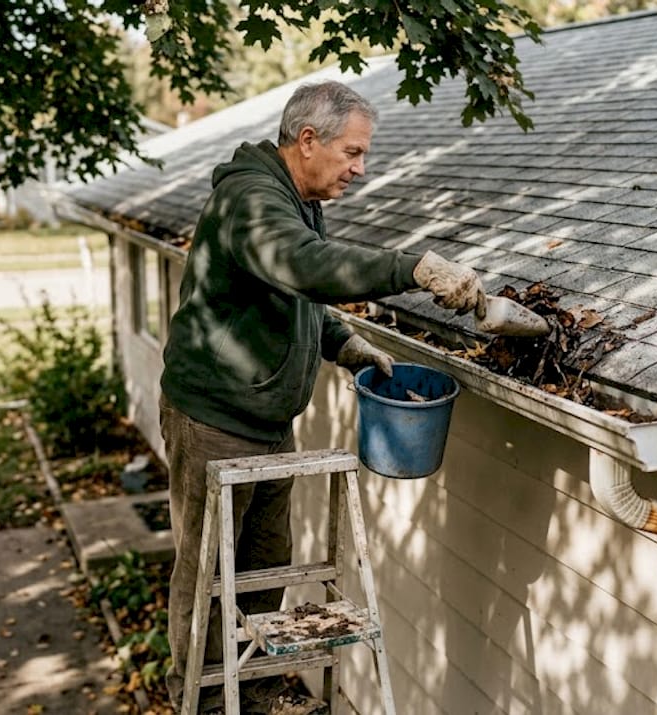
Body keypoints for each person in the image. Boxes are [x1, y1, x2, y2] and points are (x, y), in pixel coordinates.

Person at [159, 80, 483, 713]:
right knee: (206, 581)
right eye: (353, 153)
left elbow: (293, 292)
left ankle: (246, 702)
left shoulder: (297, 199)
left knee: (262, 574)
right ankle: (196, 705)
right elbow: (303, 265)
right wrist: (410, 269)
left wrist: (343, 342)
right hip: (214, 421)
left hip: (266, 421)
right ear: (308, 141)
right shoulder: (251, 200)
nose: (361, 169)